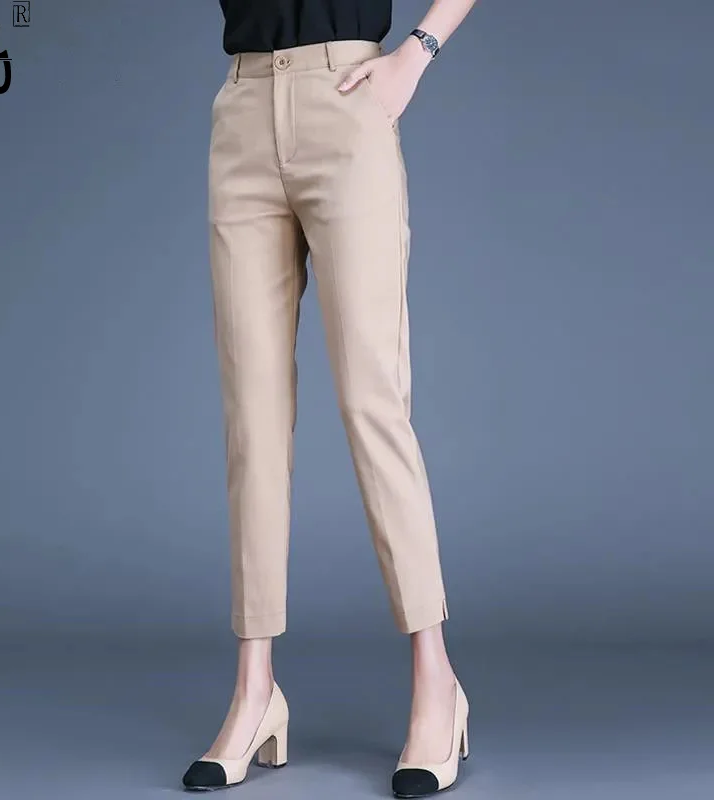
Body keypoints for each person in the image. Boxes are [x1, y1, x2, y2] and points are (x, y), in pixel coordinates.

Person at [182, 1, 478, 796]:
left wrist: (418, 50)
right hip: (243, 108)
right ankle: (255, 692)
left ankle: (437, 682)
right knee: (252, 420)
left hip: (348, 99)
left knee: (372, 403)